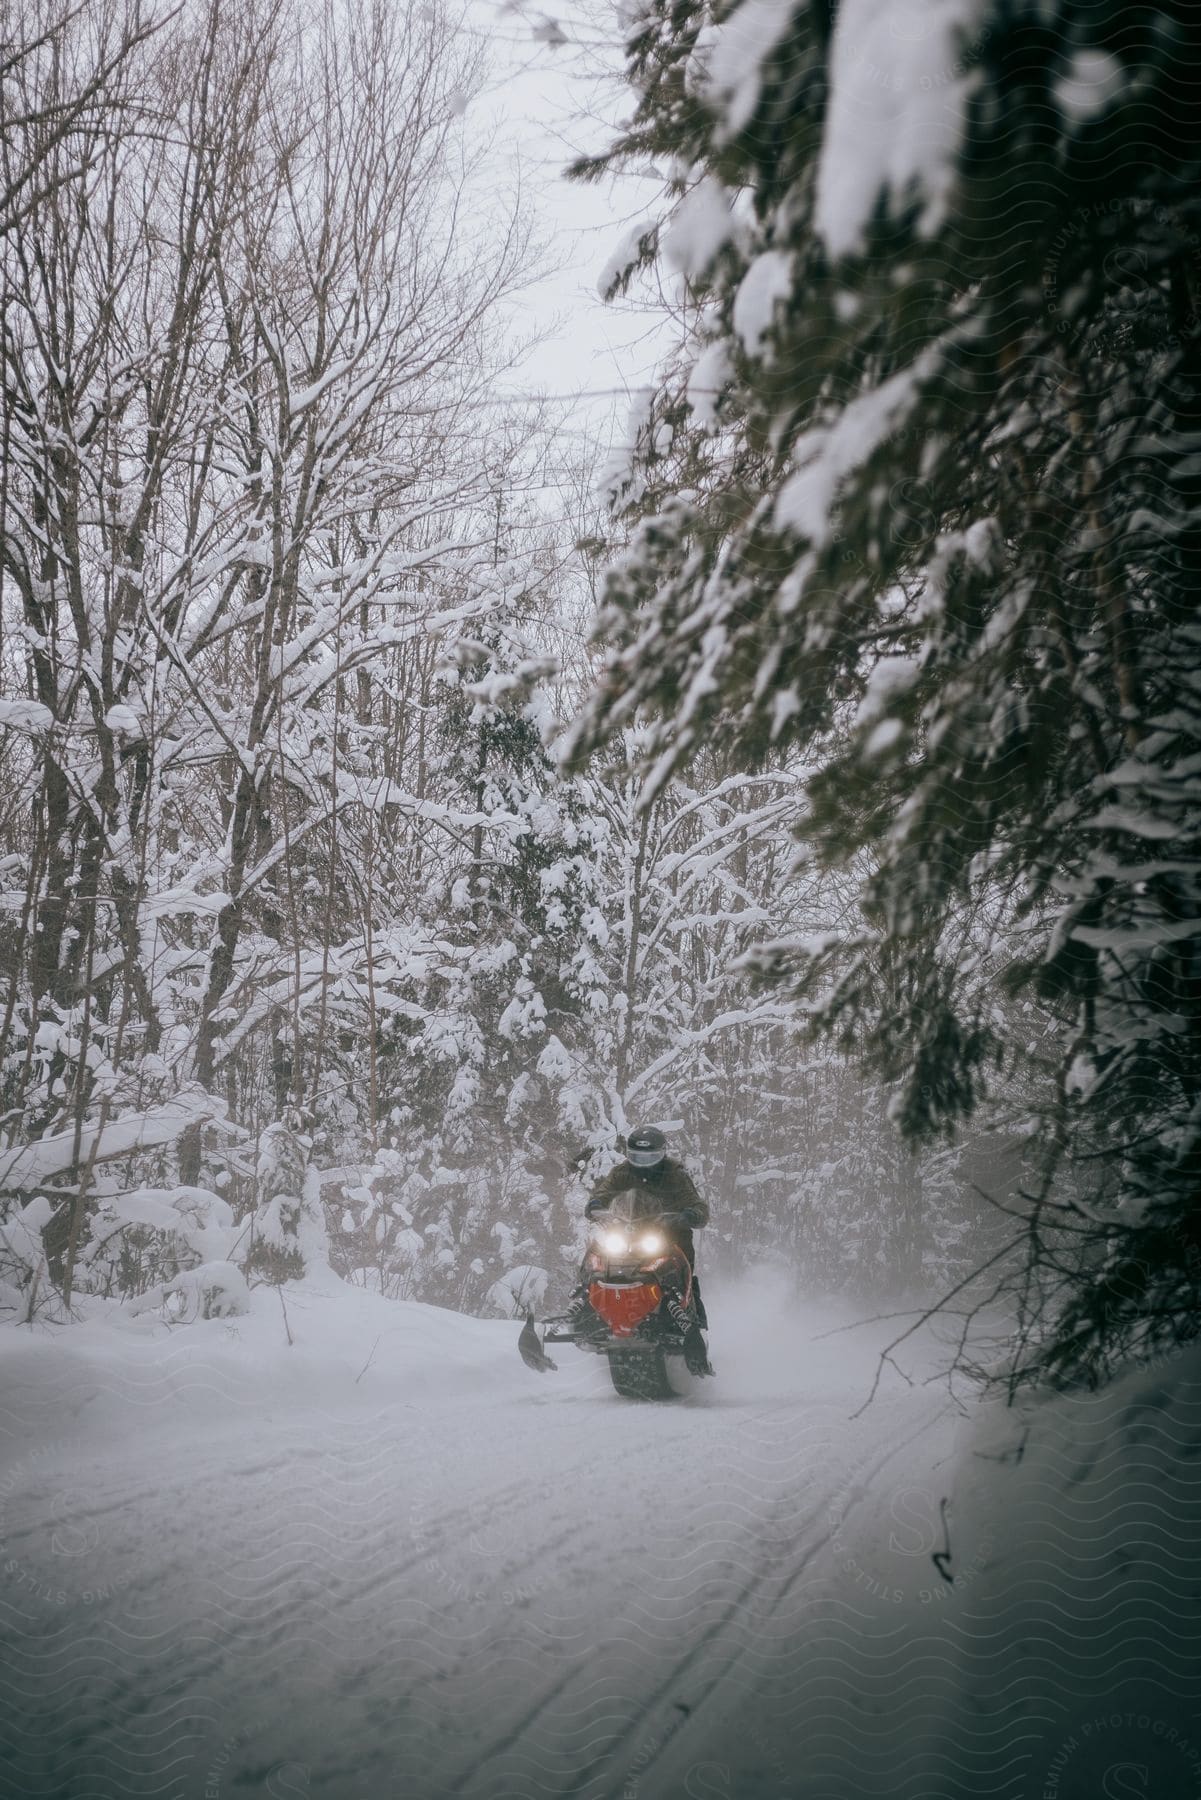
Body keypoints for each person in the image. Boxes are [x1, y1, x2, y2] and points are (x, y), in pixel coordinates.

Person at [573, 1126, 712, 1370]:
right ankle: (583, 1300)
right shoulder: (621, 1172)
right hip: (628, 1233)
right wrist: (596, 1204)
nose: (642, 1164)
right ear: (629, 1155)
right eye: (637, 1157)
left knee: (680, 1270)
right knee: (597, 1254)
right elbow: (604, 1192)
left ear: (662, 1154)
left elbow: (696, 1204)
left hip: (669, 1235)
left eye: (649, 1158)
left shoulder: (675, 1174)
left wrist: (690, 1214)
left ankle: (690, 1318)